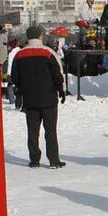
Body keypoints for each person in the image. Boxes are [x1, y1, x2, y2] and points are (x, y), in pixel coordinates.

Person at [10, 25, 66, 168]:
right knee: (50, 131)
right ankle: (53, 160)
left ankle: (34, 160)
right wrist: (61, 90)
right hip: (48, 99)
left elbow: (15, 77)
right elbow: (57, 74)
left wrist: (23, 88)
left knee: (33, 132)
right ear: (40, 36)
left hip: (30, 100)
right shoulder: (48, 52)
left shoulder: (19, 55)